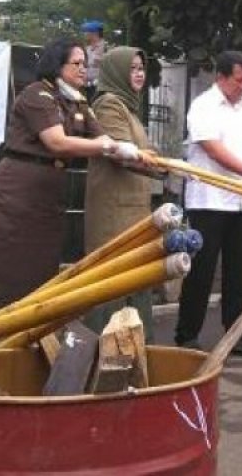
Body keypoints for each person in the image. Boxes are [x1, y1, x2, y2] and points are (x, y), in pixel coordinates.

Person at [0, 38, 148, 325]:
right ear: (56, 65)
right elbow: (57, 142)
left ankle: (25, 355)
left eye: (85, 64)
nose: (83, 70)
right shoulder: (37, 95)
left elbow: (101, 136)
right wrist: (109, 147)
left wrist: (124, 148)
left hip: (46, 197)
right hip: (16, 193)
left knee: (38, 281)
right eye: (76, 63)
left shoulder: (77, 100)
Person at [175, 50, 242, 356]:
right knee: (202, 269)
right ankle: (187, 334)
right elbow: (213, 149)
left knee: (238, 271)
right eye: (238, 79)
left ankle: (236, 334)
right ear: (220, 77)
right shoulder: (203, 106)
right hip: (209, 199)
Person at [83, 46, 160, 341]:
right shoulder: (109, 104)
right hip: (114, 212)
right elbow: (123, 153)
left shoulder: (129, 107)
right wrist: (161, 165)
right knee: (111, 286)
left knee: (135, 281)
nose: (139, 74)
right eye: (132, 68)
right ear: (116, 72)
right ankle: (101, 360)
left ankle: (137, 356)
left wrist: (160, 163)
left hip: (133, 210)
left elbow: (144, 153)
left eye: (141, 68)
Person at [81, 20, 106, 101]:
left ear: (94, 33)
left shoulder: (105, 48)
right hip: (87, 87)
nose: (84, 34)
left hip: (100, 88)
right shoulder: (87, 49)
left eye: (86, 31)